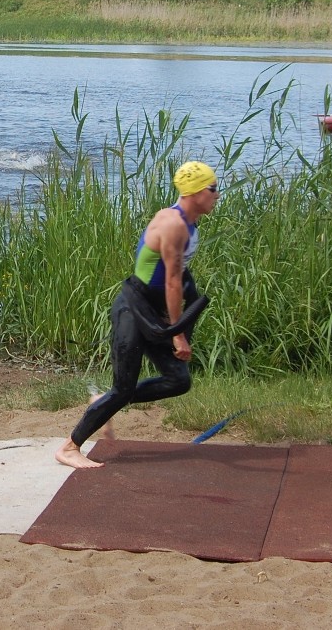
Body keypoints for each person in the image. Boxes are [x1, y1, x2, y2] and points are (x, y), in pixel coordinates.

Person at [55, 161, 220, 469]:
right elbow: (171, 281)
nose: (217, 194)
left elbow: (179, 276)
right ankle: (70, 447)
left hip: (153, 310)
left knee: (178, 380)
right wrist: (178, 335)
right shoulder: (173, 224)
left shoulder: (189, 223)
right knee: (124, 387)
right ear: (196, 191)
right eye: (213, 188)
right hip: (133, 309)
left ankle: (103, 402)